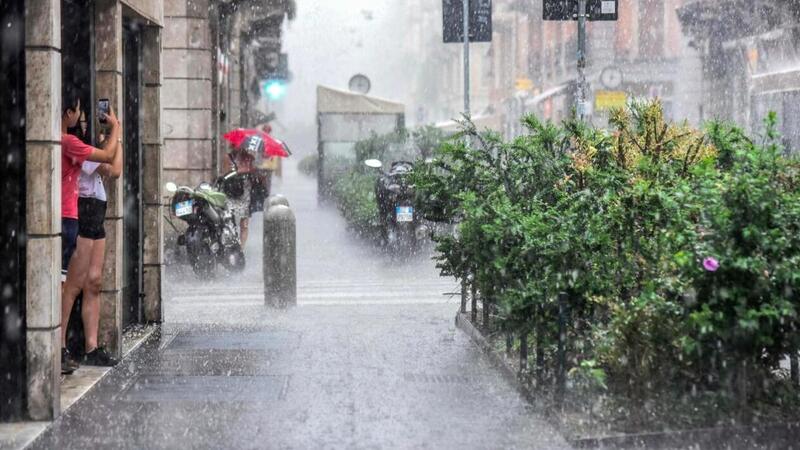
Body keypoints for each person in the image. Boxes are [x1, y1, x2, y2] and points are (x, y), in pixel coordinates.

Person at [60, 93, 120, 374]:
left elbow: (114, 168)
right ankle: (61, 345)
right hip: (81, 214)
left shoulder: (82, 147)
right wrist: (115, 131)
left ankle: (92, 347)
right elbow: (113, 164)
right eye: (81, 120)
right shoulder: (75, 148)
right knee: (72, 284)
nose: (84, 125)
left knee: (94, 281)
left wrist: (112, 134)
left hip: (96, 216)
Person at [224, 143, 255, 245]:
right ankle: (231, 243)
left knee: (244, 223)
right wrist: (237, 170)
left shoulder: (249, 157)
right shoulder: (229, 157)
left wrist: (244, 169)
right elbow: (225, 172)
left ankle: (241, 247)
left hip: (244, 192)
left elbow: (252, 171)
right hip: (231, 190)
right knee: (229, 220)